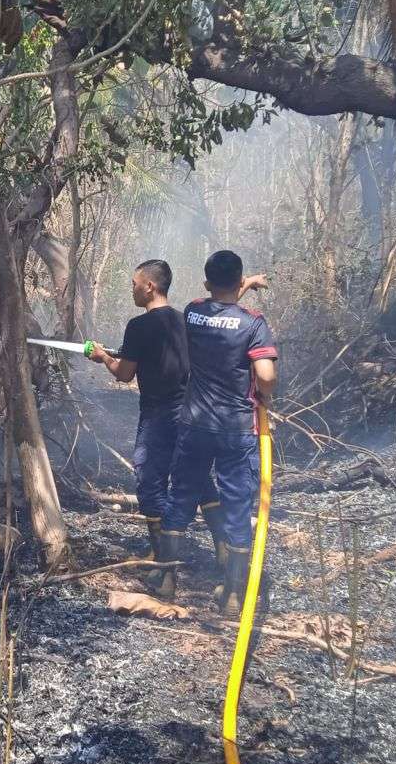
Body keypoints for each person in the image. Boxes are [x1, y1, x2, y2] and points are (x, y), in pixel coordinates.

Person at [87, 260, 266, 596]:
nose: (133, 289)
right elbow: (223, 309)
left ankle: (162, 564)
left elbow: (124, 374)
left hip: (157, 415)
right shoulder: (186, 318)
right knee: (198, 482)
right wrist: (248, 283)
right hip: (188, 413)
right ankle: (223, 549)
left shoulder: (139, 326)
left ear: (150, 287)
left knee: (148, 479)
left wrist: (103, 357)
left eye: (135, 283)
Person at [155, 249, 277, 615]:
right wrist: (264, 397)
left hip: (194, 425)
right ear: (239, 282)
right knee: (238, 505)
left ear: (207, 283)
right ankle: (233, 595)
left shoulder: (193, 311)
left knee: (182, 495)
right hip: (237, 429)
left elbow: (218, 311)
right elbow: (266, 376)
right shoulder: (254, 324)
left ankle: (166, 581)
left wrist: (240, 285)